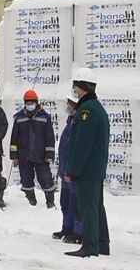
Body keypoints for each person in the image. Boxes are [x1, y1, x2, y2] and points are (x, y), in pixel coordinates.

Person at [64, 68, 110, 258]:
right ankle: (101, 243)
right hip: (95, 169)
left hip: (87, 170)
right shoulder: (96, 107)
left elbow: (82, 144)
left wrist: (73, 169)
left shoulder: (87, 111)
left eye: (75, 85)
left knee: (89, 208)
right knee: (97, 206)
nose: (73, 88)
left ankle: (90, 246)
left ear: (82, 87)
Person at [9, 89, 56, 208]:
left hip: (41, 156)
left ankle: (50, 202)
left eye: (32, 102)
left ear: (36, 102)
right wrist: (14, 156)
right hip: (24, 156)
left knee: (46, 179)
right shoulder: (19, 118)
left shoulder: (44, 117)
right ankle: (31, 202)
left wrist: (49, 154)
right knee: (26, 180)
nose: (30, 105)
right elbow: (14, 138)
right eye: (27, 103)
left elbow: (50, 137)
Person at [54, 95, 83, 244]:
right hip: (65, 169)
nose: (67, 106)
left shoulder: (78, 122)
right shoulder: (70, 122)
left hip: (72, 171)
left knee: (75, 203)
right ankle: (67, 227)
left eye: (69, 103)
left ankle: (78, 232)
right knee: (65, 201)